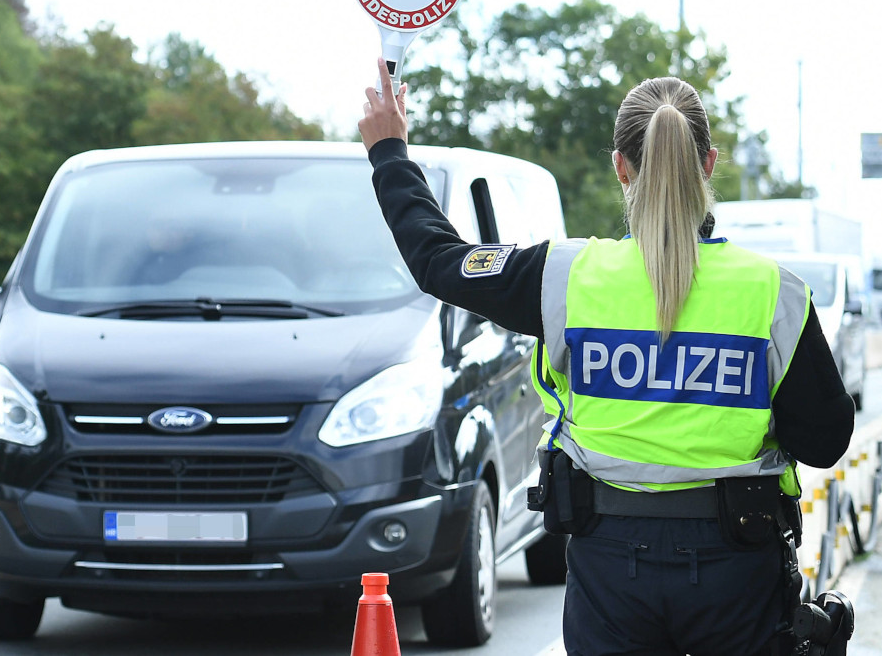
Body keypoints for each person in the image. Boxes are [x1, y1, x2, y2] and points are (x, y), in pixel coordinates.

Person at [358, 64, 854, 655]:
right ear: (709, 163)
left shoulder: (562, 277)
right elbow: (825, 440)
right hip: (737, 563)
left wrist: (390, 151)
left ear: (620, 166)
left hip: (611, 568)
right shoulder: (776, 291)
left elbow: (439, 261)